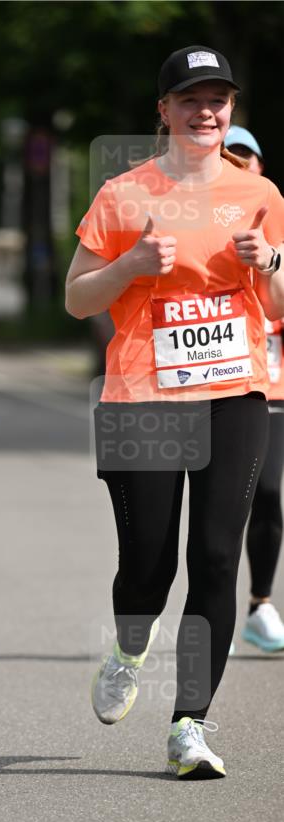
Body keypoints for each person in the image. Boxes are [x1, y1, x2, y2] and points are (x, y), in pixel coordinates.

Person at [65, 46, 284, 778]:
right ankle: (130, 647)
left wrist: (269, 267)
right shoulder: (123, 195)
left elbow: (279, 308)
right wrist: (127, 268)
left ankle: (188, 723)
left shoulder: (260, 195)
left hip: (233, 388)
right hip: (143, 395)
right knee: (146, 568)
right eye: (189, 99)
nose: (205, 111)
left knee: (217, 556)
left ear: (231, 110)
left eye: (217, 98)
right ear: (162, 111)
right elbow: (77, 297)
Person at [224, 125, 284, 652]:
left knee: (266, 493)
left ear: (261, 167)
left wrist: (270, 259)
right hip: (204, 382)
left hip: (269, 382)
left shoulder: (275, 223)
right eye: (229, 157)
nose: (239, 164)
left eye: (247, 158)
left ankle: (259, 605)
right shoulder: (193, 216)